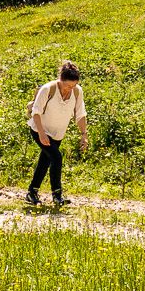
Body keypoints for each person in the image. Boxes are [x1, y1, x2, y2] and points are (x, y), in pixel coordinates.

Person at [26, 60, 89, 207]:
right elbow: (36, 112)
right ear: (60, 80)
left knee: (45, 162)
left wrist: (84, 134)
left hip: (57, 133)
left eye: (73, 85)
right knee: (56, 157)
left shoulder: (77, 91)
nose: (70, 89)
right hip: (39, 129)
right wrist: (41, 133)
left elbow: (80, 114)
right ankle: (57, 195)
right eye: (67, 85)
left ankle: (32, 192)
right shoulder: (48, 89)